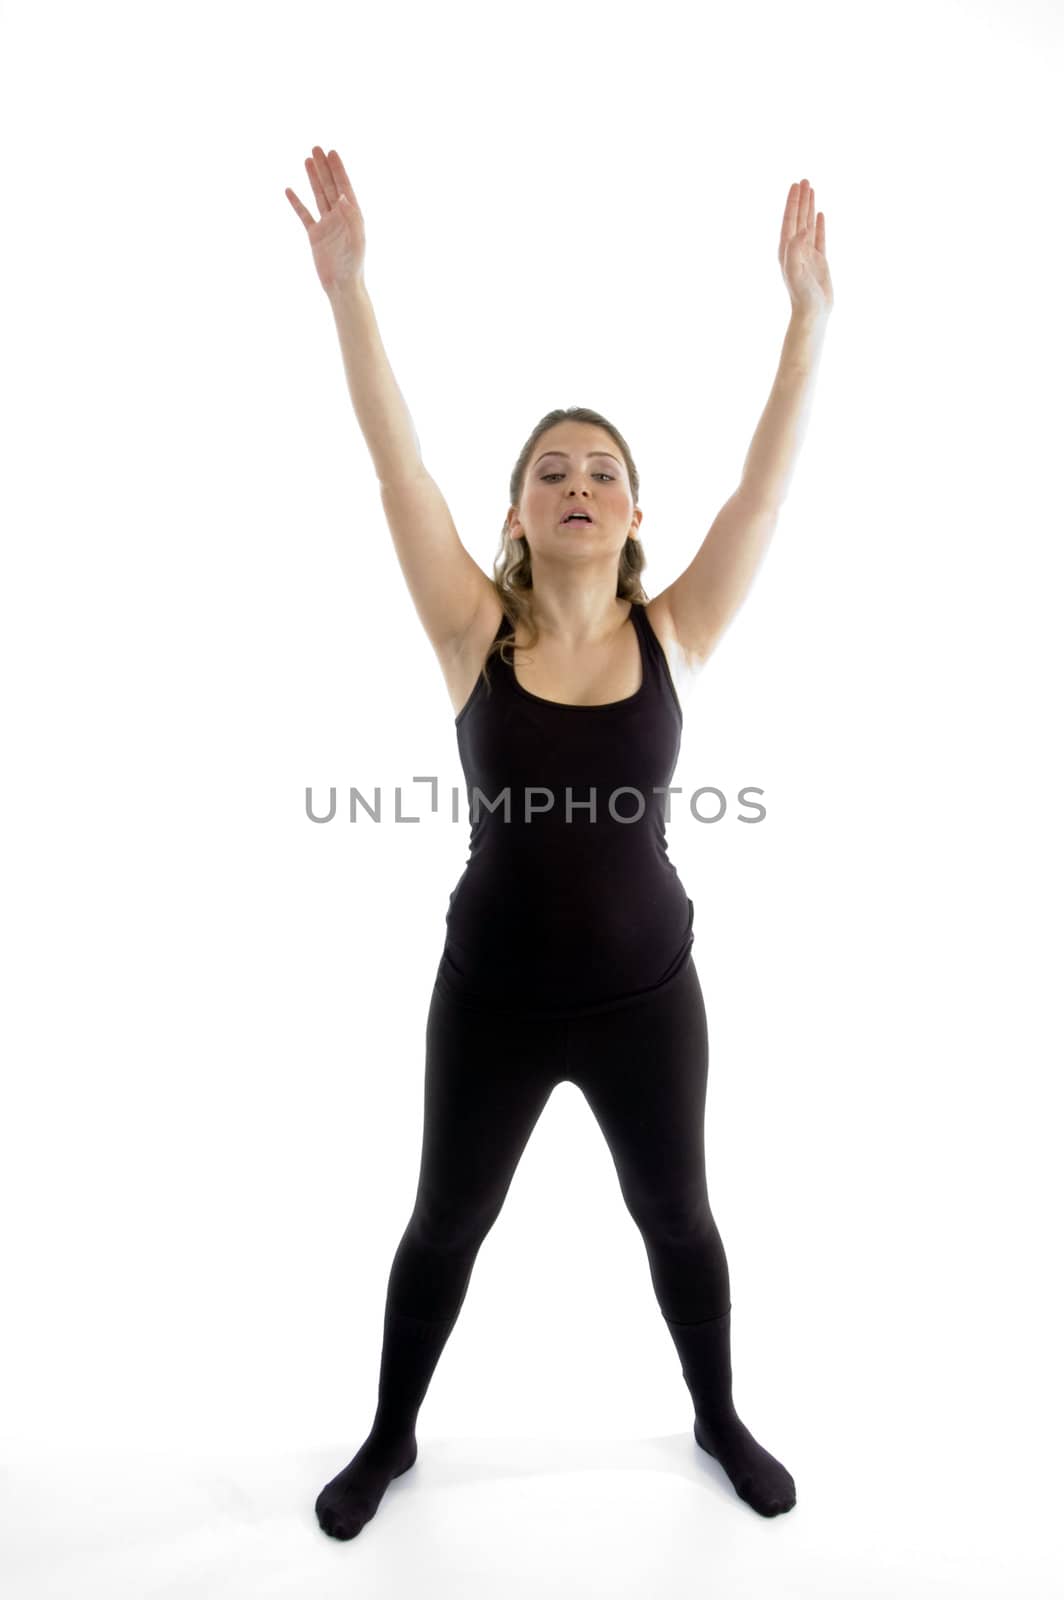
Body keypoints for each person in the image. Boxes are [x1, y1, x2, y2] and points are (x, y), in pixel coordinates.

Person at [285, 147, 833, 1542]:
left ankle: (714, 1415)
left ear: (635, 514)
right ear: (518, 513)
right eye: (551, 471)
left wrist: (807, 321)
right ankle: (391, 1437)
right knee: (443, 1228)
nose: (578, 484)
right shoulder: (473, 631)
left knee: (680, 1221)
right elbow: (392, 454)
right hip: (494, 1003)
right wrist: (352, 291)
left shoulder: (679, 633)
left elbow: (761, 501)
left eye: (602, 471)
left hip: (653, 1000)